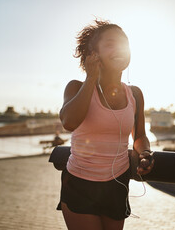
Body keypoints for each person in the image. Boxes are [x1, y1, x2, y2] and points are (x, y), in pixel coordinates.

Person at [58, 19, 154, 230]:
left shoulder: (135, 94)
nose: (119, 48)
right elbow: (69, 122)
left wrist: (145, 153)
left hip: (117, 184)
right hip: (79, 183)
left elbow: (138, 136)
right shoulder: (76, 88)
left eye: (123, 43)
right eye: (110, 43)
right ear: (94, 53)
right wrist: (92, 77)